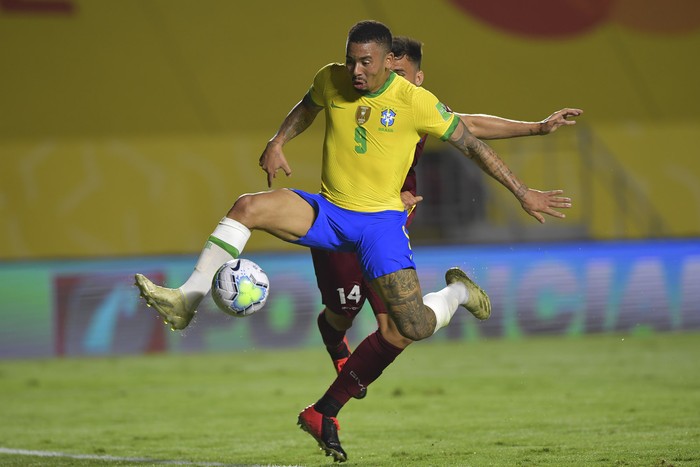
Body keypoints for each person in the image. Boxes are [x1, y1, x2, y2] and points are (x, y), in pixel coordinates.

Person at [134, 21, 572, 462]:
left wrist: (523, 191)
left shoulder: (416, 102)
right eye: (351, 60)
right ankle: (186, 299)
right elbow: (308, 105)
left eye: (366, 62)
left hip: (380, 226)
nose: (356, 70)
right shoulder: (332, 79)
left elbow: (473, 143)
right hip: (330, 213)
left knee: (412, 328)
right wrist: (279, 140)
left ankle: (457, 292)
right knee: (247, 207)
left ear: (388, 64)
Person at [311, 35, 581, 403]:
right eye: (386, 68)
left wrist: (536, 127)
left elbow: (469, 126)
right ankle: (336, 345)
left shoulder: (416, 105)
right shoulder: (360, 98)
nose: (391, 77)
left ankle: (334, 401)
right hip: (346, 217)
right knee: (341, 313)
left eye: (400, 72)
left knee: (396, 327)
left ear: (418, 78)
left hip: (386, 226)